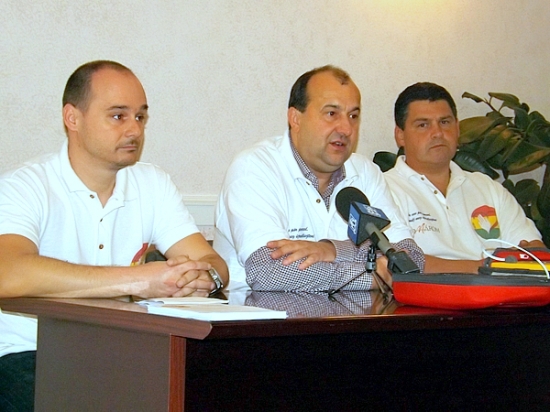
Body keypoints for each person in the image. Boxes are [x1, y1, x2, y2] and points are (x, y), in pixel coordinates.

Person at [0, 60, 228, 411]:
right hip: (31, 354)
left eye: (140, 117)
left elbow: (212, 261)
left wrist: (204, 278)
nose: (134, 130)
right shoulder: (26, 186)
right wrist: (139, 281)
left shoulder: (153, 183)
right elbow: (7, 272)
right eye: (118, 116)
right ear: (72, 118)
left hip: (125, 353)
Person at [214, 65, 424, 292]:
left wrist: (332, 250)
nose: (346, 128)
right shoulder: (255, 168)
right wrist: (374, 275)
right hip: (265, 312)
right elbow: (269, 273)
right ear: (295, 118)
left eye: (353, 116)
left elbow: (411, 259)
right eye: (331, 113)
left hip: (357, 311)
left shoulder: (365, 172)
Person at [384, 82, 544, 273]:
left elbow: (534, 252)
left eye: (445, 122)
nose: (437, 133)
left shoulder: (488, 188)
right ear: (400, 135)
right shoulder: (383, 190)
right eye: (423, 125)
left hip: (500, 290)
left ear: (458, 129)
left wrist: (523, 258)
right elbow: (397, 262)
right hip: (430, 292)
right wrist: (482, 268)